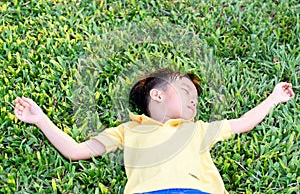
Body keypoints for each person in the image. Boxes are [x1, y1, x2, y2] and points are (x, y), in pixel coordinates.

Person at [14, 69, 295, 194]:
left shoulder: (198, 129)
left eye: (195, 96)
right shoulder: (129, 130)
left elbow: (243, 123)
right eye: (186, 91)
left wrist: (273, 98)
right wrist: (40, 119)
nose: (194, 99)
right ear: (157, 95)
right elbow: (76, 151)